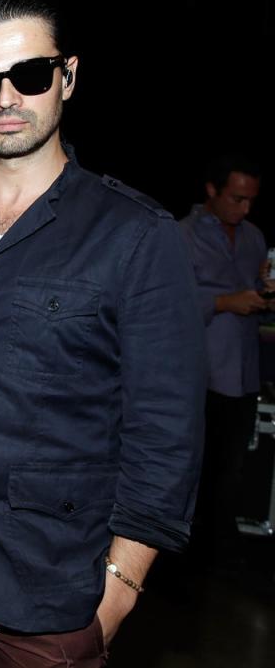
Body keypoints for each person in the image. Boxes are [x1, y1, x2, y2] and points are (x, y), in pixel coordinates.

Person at [0, 0, 206, 666]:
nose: (7, 98)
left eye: (29, 75)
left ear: (68, 76)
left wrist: (116, 596)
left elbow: (166, 431)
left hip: (51, 605)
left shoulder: (138, 235)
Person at [179, 155, 271, 566]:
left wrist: (264, 295)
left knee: (231, 470)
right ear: (212, 191)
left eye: (251, 200)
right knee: (192, 471)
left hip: (244, 373)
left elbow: (255, 300)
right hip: (199, 376)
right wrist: (222, 301)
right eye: (237, 198)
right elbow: (167, 305)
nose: (245, 209)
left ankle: (220, 560)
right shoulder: (182, 235)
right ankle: (182, 561)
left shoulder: (254, 237)